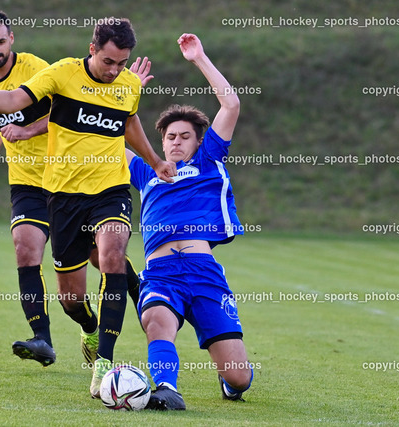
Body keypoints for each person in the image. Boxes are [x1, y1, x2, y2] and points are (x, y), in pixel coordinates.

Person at [0, 17, 176, 397]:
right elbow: (13, 101)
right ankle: (89, 329)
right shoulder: (61, 73)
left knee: (112, 255)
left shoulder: (127, 84)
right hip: (62, 195)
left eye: (122, 63)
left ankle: (105, 366)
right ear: (92, 49)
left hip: (110, 189)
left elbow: (128, 122)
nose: (115, 71)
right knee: (72, 300)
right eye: (109, 62)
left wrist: (156, 161)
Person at [127, 33, 253, 410]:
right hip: (161, 270)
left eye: (185, 136)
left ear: (199, 142)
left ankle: (231, 381)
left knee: (238, 376)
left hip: (203, 270)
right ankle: (166, 389)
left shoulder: (209, 160)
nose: (176, 142)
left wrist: (199, 58)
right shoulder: (144, 169)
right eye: (170, 137)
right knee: (157, 321)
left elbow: (230, 104)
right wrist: (124, 89)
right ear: (161, 142)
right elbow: (105, 135)